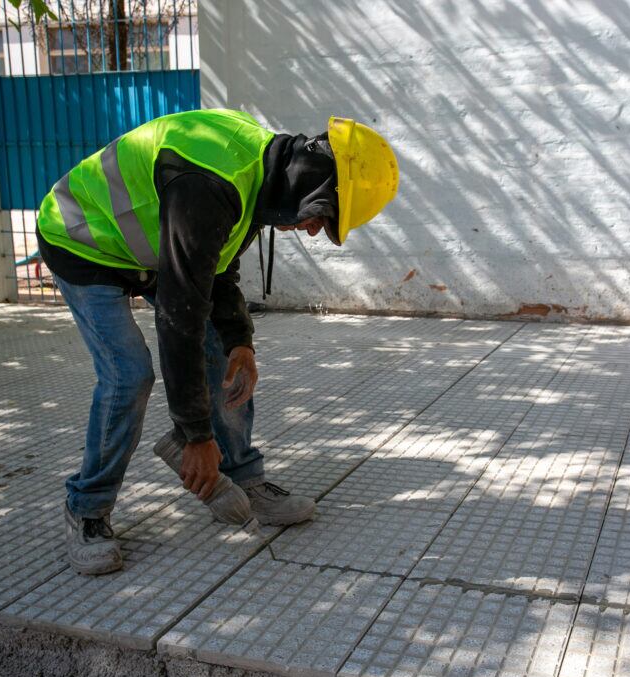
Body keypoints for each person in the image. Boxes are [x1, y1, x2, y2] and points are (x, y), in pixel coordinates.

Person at [35, 110, 399, 574]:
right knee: (128, 374)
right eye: (324, 215)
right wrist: (195, 435)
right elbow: (178, 313)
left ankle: (242, 477)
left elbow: (217, 266)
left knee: (223, 355)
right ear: (316, 181)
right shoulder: (210, 183)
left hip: (148, 248)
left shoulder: (261, 176)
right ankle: (87, 508)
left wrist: (239, 341)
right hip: (84, 240)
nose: (312, 231)